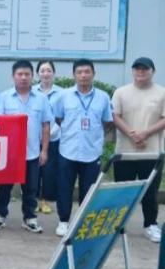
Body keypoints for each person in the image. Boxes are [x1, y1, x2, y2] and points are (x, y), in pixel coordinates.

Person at [53, 59, 113, 237]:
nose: (83, 75)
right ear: (74, 75)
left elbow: (106, 122)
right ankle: (63, 221)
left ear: (94, 74)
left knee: (89, 189)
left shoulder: (103, 97)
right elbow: (58, 118)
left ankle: (83, 221)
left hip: (91, 151)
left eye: (87, 72)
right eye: (79, 72)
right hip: (68, 150)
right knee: (64, 187)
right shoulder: (64, 96)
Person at [0, 60, 52, 234]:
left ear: (32, 76)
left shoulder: (41, 98)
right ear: (13, 76)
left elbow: (46, 126)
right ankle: (0, 215)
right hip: (9, 153)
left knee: (31, 188)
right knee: (5, 187)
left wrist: (44, 150)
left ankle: (29, 218)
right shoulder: (4, 97)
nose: (24, 77)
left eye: (27, 74)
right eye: (20, 74)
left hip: (32, 152)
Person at [112, 57, 165, 243]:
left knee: (150, 192)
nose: (141, 72)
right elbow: (115, 116)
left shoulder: (162, 93)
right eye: (137, 69)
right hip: (125, 152)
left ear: (152, 71)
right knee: (123, 191)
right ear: (132, 71)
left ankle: (150, 225)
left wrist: (145, 134)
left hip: (152, 152)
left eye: (145, 69)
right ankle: (119, 224)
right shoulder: (121, 92)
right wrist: (132, 134)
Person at [36, 61, 63, 215]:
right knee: (34, 171)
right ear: (38, 74)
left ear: (53, 73)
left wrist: (55, 130)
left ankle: (45, 200)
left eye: (48, 70)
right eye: (42, 71)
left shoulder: (62, 93)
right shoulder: (32, 91)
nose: (45, 74)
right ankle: (33, 200)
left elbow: (63, 116)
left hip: (54, 138)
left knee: (49, 171)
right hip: (34, 139)